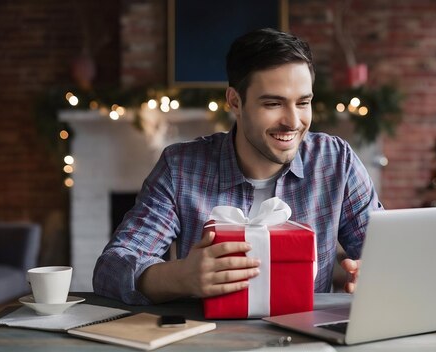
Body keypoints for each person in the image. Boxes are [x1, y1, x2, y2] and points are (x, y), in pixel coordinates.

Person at [93, 28, 383, 304]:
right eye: (273, 104)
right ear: (235, 102)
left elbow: (387, 254)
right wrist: (180, 276)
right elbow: (110, 269)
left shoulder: (337, 162)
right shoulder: (181, 168)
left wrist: (374, 275)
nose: (293, 122)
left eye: (303, 102)